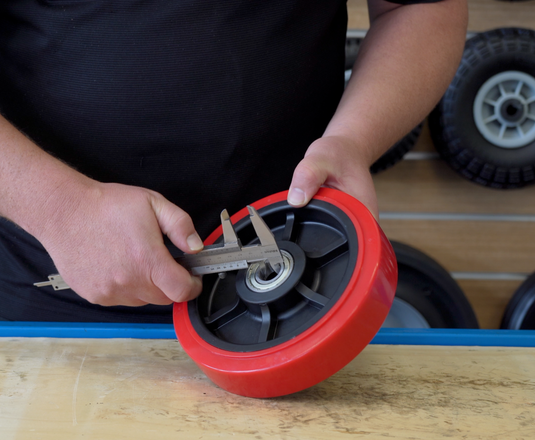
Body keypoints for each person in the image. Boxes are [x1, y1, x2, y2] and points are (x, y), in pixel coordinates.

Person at [0, 0, 468, 322]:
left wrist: (353, 142)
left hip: (298, 279)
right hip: (48, 287)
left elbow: (423, 6)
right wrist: (59, 209)